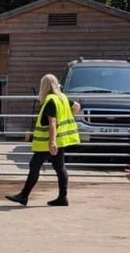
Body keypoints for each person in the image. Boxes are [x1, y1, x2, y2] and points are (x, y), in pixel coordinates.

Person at [6, 74, 81, 206]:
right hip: (61, 139)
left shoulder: (50, 100)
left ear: (44, 86)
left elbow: (52, 122)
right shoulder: (62, 98)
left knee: (34, 165)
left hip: (48, 142)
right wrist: (70, 114)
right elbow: (77, 106)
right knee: (60, 167)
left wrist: (51, 142)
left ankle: (24, 196)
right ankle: (62, 197)